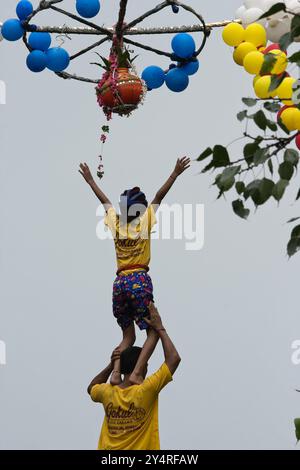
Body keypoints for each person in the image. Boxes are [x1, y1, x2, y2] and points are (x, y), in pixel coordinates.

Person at [79, 157, 190, 385]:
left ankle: (116, 372)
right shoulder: (144, 222)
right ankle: (138, 371)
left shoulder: (116, 224)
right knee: (153, 331)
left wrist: (90, 180)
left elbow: (105, 201)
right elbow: (160, 196)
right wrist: (175, 173)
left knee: (128, 337)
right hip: (138, 278)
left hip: (119, 283)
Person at [88, 303, 181, 451]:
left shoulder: (108, 393)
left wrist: (112, 366)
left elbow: (91, 388)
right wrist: (160, 328)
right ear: (141, 366)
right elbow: (173, 359)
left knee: (129, 335)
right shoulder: (146, 391)